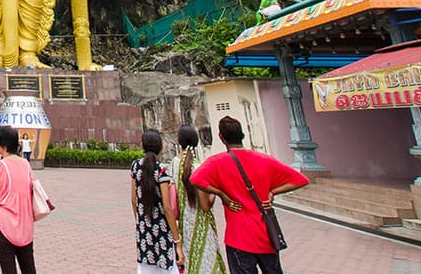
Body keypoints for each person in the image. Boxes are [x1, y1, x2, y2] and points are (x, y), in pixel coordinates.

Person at [190, 116, 309, 274]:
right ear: (242, 135)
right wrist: (272, 192)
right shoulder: (264, 159)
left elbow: (195, 179)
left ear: (221, 137)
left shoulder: (216, 162)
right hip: (265, 234)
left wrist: (221, 194)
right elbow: (301, 180)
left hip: (238, 236)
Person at [171, 124, 227, 274]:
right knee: (207, 262)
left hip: (185, 224)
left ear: (179, 141)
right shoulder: (199, 167)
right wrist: (216, 191)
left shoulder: (174, 164)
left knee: (192, 263)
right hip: (201, 223)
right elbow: (205, 205)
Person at [0, 125, 36, 274]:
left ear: (4, 145)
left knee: (8, 270)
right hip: (25, 223)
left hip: (4, 224)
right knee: (29, 268)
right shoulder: (26, 164)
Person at [132, 130, 184, 274]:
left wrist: (141, 221)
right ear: (161, 147)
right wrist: (177, 240)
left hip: (143, 230)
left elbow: (133, 200)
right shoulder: (161, 170)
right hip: (162, 230)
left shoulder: (135, 166)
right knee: (166, 267)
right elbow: (167, 208)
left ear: (142, 145)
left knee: (146, 268)